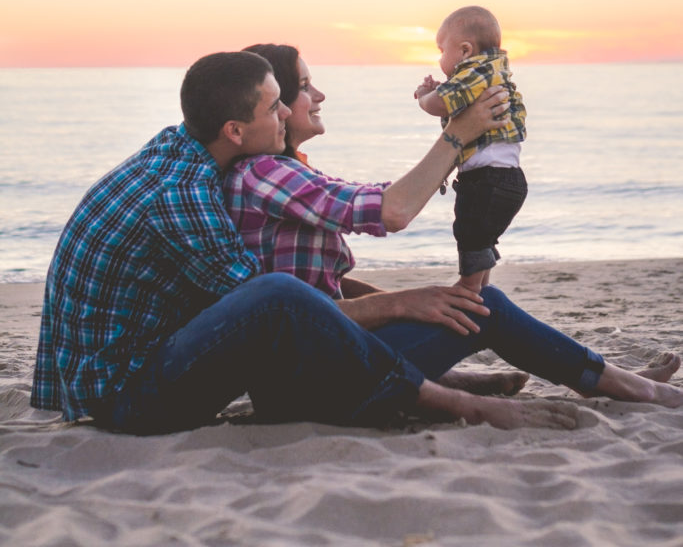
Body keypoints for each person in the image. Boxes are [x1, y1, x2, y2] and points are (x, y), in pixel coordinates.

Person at [33, 49, 575, 434]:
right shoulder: (186, 197)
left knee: (287, 294)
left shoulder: (182, 151)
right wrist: (458, 136)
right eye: (275, 108)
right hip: (126, 402)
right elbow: (275, 304)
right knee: (276, 293)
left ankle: (473, 381)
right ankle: (449, 400)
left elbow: (310, 287)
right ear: (234, 131)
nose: (288, 113)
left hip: (124, 372)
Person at [223, 44, 683, 415]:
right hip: (311, 379)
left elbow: (326, 279)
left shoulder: (285, 172)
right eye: (304, 86)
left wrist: (416, 304)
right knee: (484, 306)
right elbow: (392, 212)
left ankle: (612, 378)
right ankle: (627, 386)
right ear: (276, 104)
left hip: (319, 363)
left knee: (463, 304)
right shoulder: (266, 174)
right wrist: (459, 135)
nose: (319, 95)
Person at [414, 6, 526, 291]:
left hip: (487, 179)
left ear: (464, 50)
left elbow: (440, 104)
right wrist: (443, 89)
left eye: (441, 50)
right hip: (508, 179)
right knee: (480, 236)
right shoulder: (491, 73)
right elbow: (455, 103)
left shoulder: (474, 72)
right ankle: (481, 288)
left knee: (470, 233)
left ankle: (469, 287)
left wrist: (425, 96)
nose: (440, 58)